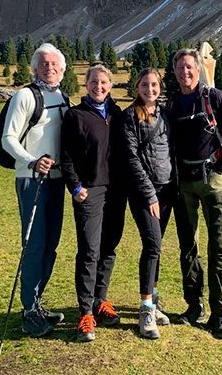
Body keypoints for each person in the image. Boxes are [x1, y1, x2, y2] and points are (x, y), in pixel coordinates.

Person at [168, 48, 222, 340]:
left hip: (212, 183)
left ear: (198, 68)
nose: (184, 73)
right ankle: (194, 307)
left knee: (219, 249)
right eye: (180, 68)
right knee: (188, 247)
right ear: (175, 72)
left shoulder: (213, 97)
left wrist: (221, 166)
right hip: (183, 186)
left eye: (189, 67)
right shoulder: (172, 104)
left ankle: (220, 315)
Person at [1, 43, 70, 337]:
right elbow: (8, 139)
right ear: (34, 68)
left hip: (57, 180)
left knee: (51, 244)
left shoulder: (63, 97)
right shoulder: (25, 96)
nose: (49, 68)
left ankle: (37, 304)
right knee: (34, 245)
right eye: (44, 64)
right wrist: (31, 161)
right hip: (32, 180)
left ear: (63, 69)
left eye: (54, 64)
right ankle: (29, 311)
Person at [61, 64, 126, 342]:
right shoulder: (75, 115)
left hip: (117, 191)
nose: (99, 86)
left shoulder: (117, 114)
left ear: (110, 85)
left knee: (109, 247)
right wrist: (75, 186)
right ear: (85, 84)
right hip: (89, 191)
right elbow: (65, 155)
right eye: (93, 82)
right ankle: (85, 312)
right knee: (89, 249)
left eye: (103, 82)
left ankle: (101, 300)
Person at [121, 68, 176, 340]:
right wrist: (149, 194)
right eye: (145, 84)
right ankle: (145, 310)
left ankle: (153, 301)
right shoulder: (130, 116)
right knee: (152, 244)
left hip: (167, 190)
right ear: (137, 87)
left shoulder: (165, 114)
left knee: (157, 246)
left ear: (160, 87)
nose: (150, 89)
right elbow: (130, 158)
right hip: (144, 193)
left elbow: (171, 150)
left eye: (154, 84)